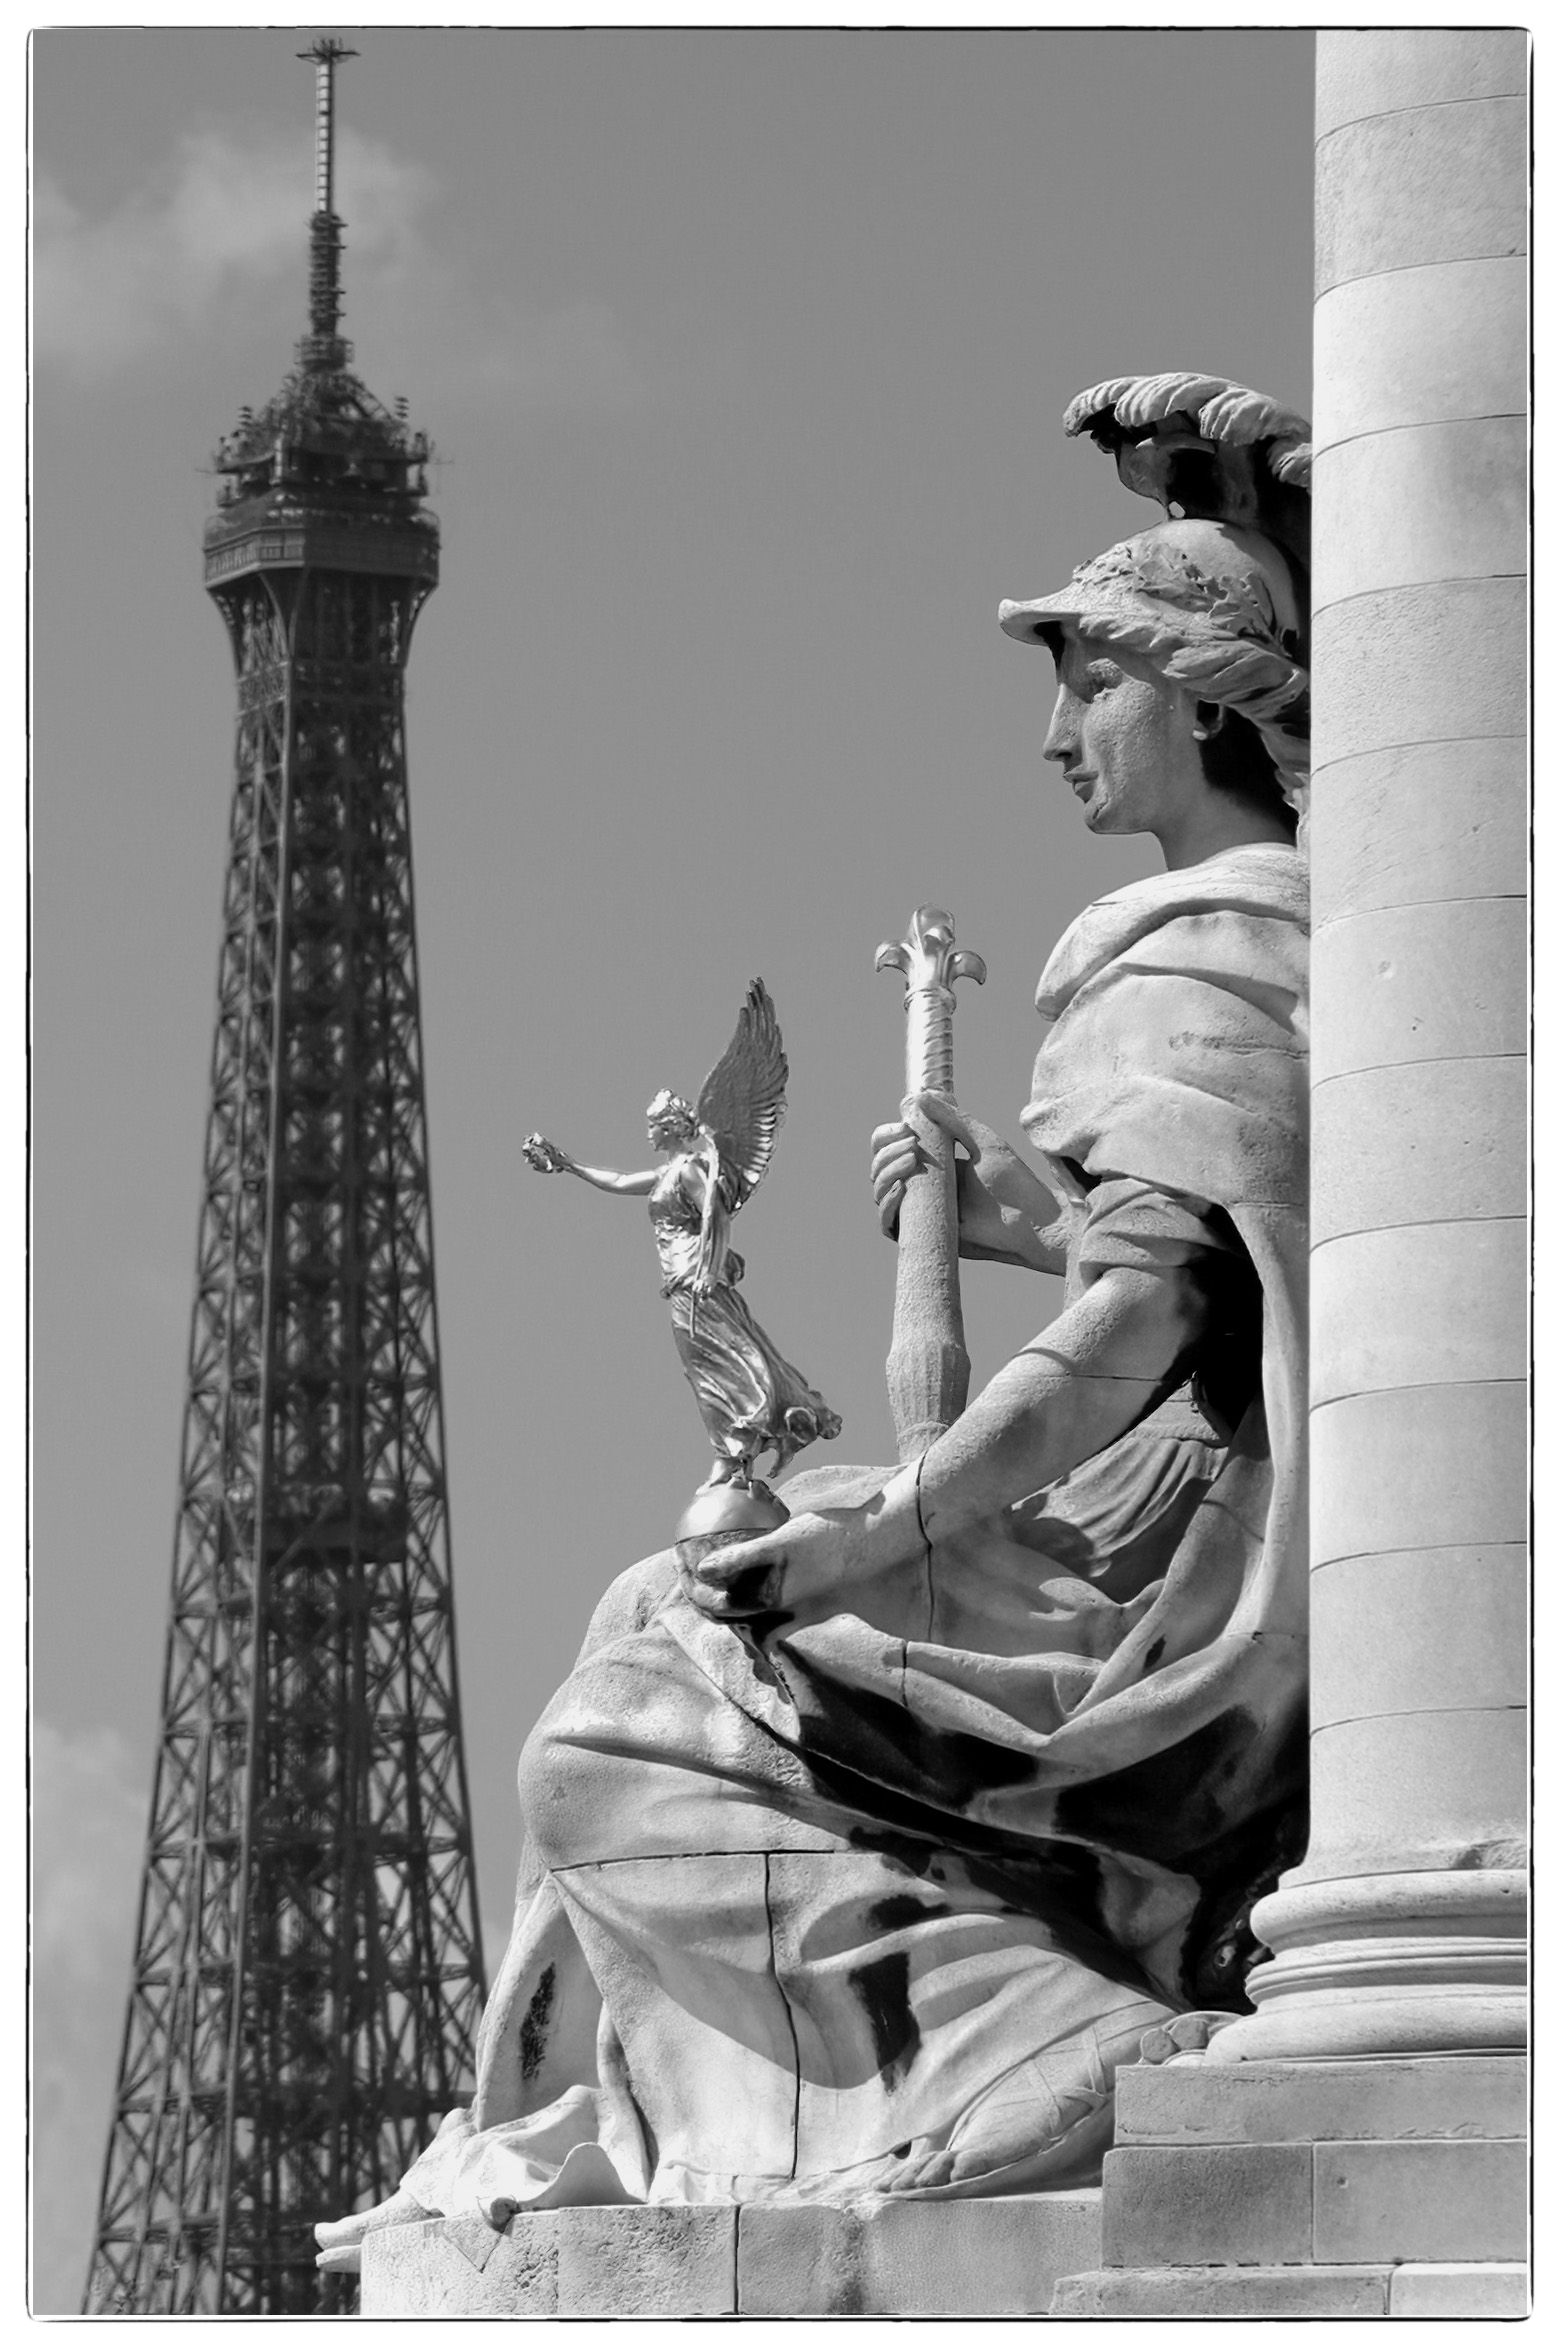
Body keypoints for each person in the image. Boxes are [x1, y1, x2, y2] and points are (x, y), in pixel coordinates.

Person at [318, 374, 1311, 2270]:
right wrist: (1029, 1223)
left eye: (1084, 684)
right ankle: (827, 2056)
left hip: (1183, 1581)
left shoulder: (1205, 944)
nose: (1051, 738)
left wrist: (896, 1520)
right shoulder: (1257, 942)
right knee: (666, 1613)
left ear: (1194, 700)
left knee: (626, 1706)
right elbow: (1180, 1274)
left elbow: (1132, 1337)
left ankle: (1041, 2033)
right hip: (1204, 1534)